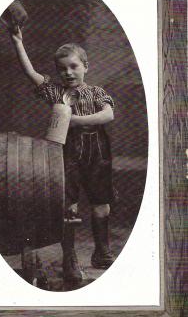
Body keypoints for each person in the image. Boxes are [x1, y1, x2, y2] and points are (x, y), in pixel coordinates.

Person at [10, 25, 115, 285]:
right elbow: (31, 73)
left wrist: (73, 119)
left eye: (73, 66)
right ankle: (70, 261)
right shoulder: (57, 93)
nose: (68, 72)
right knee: (68, 207)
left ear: (85, 67)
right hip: (65, 152)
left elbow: (108, 115)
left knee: (101, 204)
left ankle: (102, 253)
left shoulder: (97, 92)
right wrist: (17, 42)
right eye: (62, 69)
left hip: (97, 151)